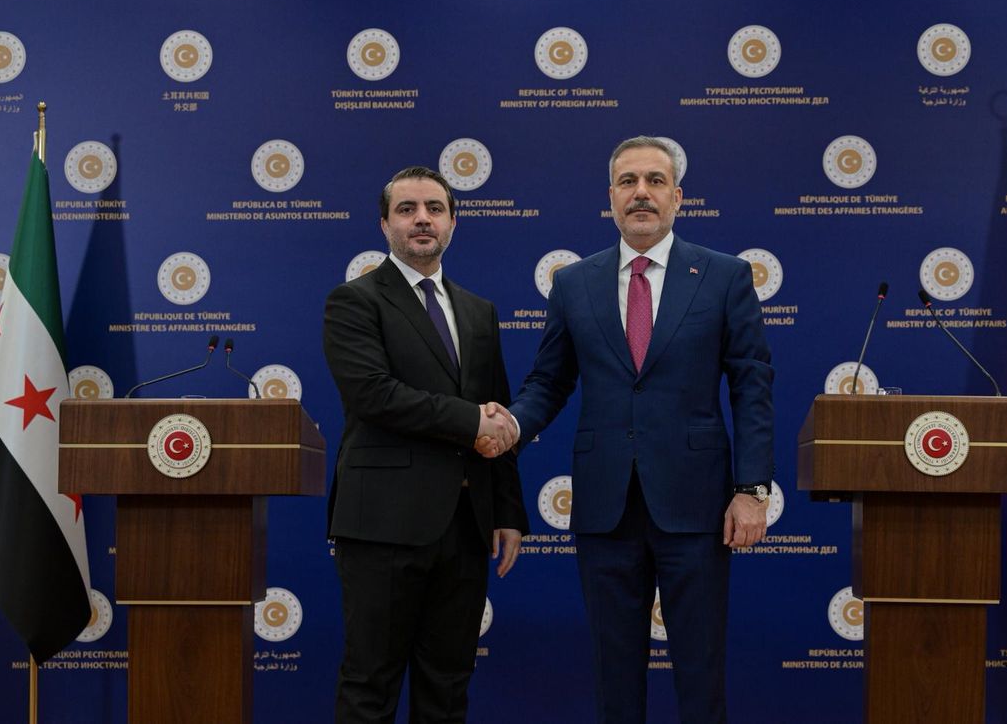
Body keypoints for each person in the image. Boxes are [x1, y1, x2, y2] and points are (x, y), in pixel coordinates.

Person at [484, 136, 775, 723]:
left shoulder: (724, 276)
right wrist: (512, 422)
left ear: (678, 198)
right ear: (611, 197)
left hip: (697, 505)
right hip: (605, 508)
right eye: (628, 182)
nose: (641, 193)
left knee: (701, 674)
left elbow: (751, 386)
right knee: (614, 676)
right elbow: (550, 381)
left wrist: (751, 489)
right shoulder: (573, 283)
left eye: (655, 181)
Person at [323, 165, 528, 724]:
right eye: (407, 209)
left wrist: (507, 510)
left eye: (435, 209)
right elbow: (375, 395)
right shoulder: (354, 301)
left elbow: (498, 412)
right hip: (381, 527)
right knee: (369, 686)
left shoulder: (479, 311)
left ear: (453, 223)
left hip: (465, 526)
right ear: (383, 224)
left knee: (448, 688)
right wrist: (471, 420)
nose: (422, 220)